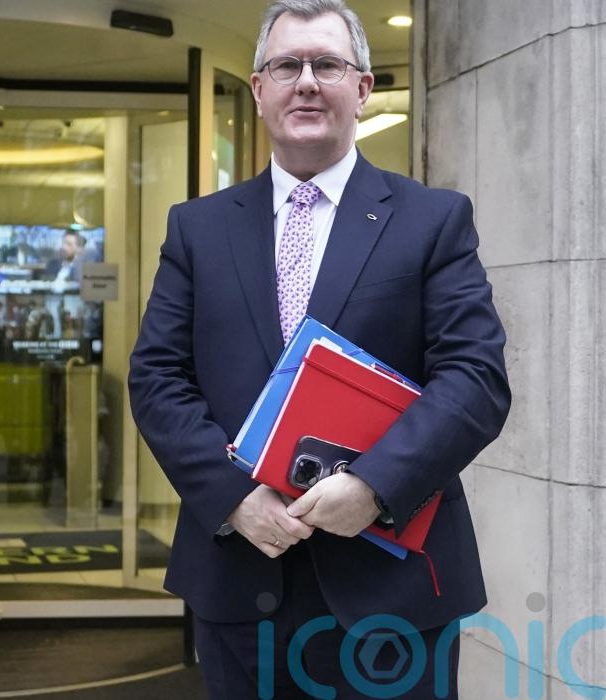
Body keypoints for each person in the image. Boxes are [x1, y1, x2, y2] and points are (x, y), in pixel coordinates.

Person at [128, 1, 510, 697]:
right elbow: (157, 379)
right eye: (286, 66)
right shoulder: (197, 229)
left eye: (327, 64)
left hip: (392, 592)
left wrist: (374, 487)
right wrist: (234, 497)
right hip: (239, 580)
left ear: (362, 88)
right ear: (259, 89)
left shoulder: (433, 220)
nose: (305, 81)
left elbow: (474, 378)